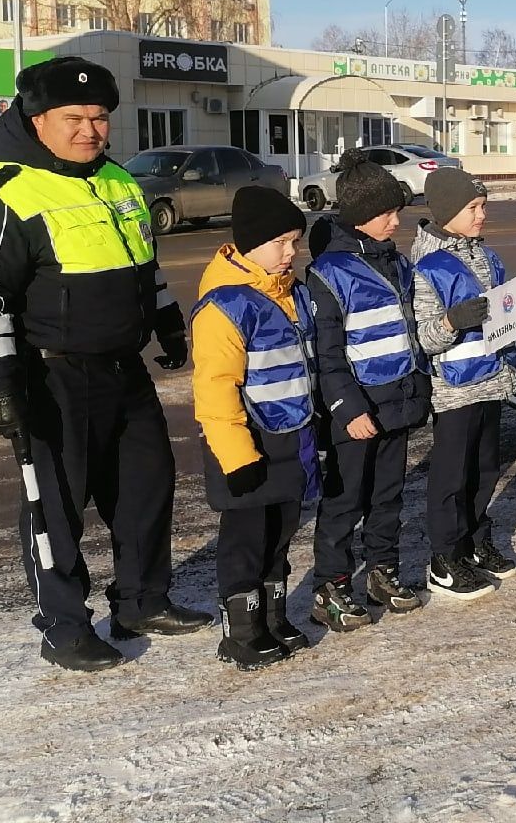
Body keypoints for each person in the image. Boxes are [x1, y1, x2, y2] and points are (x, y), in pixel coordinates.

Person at [0, 57, 209, 672]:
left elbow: (142, 266)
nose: (89, 131)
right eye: (74, 119)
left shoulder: (119, 182)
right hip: (50, 376)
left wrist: (167, 320)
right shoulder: (0, 194)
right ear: (36, 118)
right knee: (55, 507)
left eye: (99, 119)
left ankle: (142, 601)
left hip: (123, 369)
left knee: (146, 491)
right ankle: (65, 626)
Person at [192, 186, 320, 669]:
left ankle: (273, 615)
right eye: (282, 242)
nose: (292, 252)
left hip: (290, 437)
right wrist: (237, 457)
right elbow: (215, 389)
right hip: (247, 447)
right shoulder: (225, 306)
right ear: (250, 244)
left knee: (281, 534)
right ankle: (241, 632)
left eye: (295, 241)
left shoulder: (288, 293)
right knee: (245, 540)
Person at [306, 151, 431, 630]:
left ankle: (383, 571)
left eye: (396, 211)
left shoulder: (395, 263)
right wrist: (346, 408)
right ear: (359, 217)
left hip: (395, 401)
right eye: (386, 214)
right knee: (344, 503)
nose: (395, 222)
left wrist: (416, 386)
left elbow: (407, 332)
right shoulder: (330, 273)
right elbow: (328, 354)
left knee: (388, 497)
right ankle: (331, 586)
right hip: (356, 411)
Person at [410, 168, 516, 600]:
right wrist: (452, 322)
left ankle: (474, 540)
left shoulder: (485, 256)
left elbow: (503, 316)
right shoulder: (427, 266)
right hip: (454, 388)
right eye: (473, 208)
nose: (482, 215)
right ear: (448, 211)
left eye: (483, 206)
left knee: (485, 467)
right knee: (451, 476)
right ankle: (445, 556)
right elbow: (423, 336)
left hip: (489, 380)